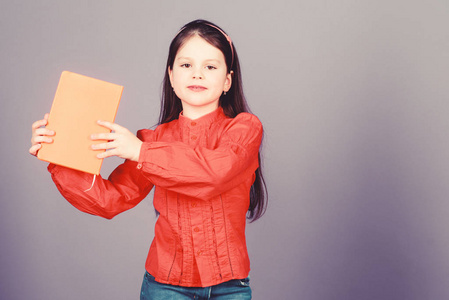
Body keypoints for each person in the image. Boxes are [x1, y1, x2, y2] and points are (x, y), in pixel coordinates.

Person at [29, 19, 267, 300]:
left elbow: (215, 173)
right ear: (171, 76)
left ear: (227, 80)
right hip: (164, 287)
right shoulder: (151, 140)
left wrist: (140, 152)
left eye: (210, 67)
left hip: (230, 286)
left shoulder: (245, 129)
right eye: (186, 65)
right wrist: (58, 154)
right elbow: (110, 200)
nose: (197, 75)